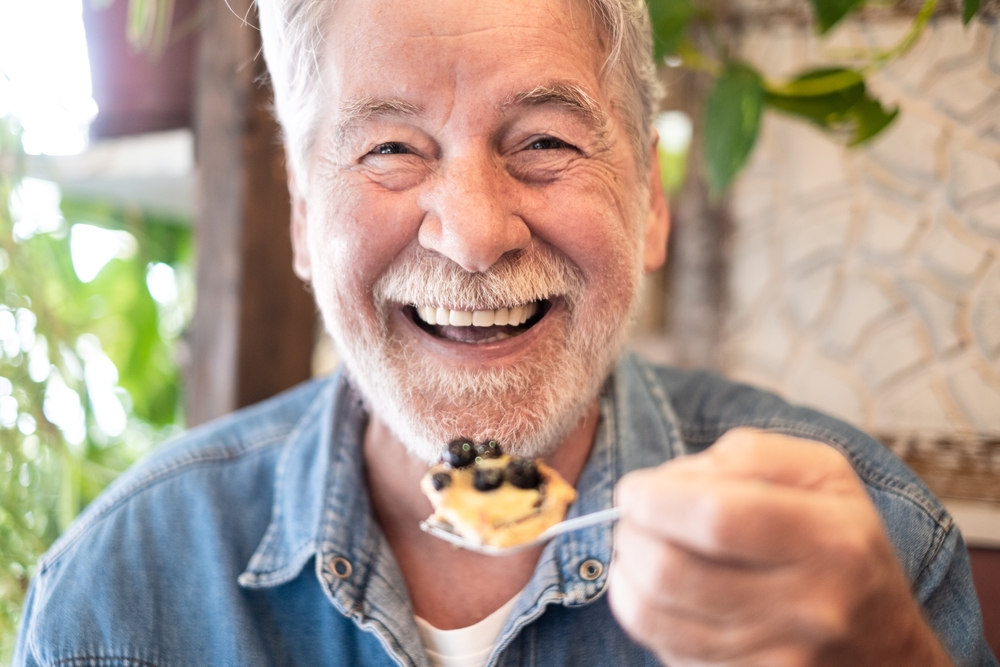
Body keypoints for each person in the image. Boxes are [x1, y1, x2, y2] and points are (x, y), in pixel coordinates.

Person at [14, 0, 996, 665]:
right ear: (304, 220)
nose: (475, 235)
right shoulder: (117, 593)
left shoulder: (878, 548)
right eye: (392, 149)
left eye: (544, 143)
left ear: (648, 200)